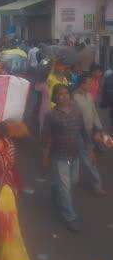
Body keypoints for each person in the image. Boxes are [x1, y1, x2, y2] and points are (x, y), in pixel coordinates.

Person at [43, 84, 89, 232]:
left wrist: (90, 148)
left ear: (70, 95)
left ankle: (56, 189)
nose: (63, 97)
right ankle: (69, 216)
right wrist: (45, 154)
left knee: (73, 181)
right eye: (60, 94)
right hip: (59, 156)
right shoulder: (51, 115)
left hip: (75, 154)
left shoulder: (77, 111)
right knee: (66, 187)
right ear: (55, 98)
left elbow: (83, 131)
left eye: (66, 94)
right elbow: (47, 136)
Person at [73, 75, 106, 196]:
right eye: (88, 83)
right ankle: (96, 185)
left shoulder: (89, 96)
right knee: (87, 158)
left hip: (89, 131)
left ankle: (92, 184)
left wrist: (99, 128)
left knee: (85, 157)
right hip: (78, 132)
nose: (91, 85)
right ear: (82, 84)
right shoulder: (74, 98)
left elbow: (94, 112)